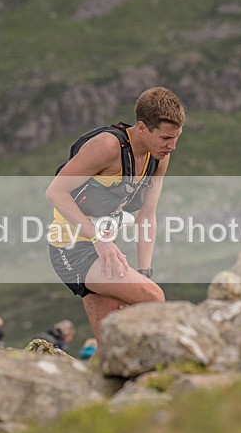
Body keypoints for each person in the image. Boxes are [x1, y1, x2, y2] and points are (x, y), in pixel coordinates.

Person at [46, 87, 184, 345]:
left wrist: (145, 270)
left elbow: (146, 217)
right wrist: (99, 239)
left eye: (177, 137)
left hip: (103, 251)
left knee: (112, 346)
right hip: (72, 248)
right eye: (166, 138)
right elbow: (55, 192)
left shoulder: (158, 158)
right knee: (153, 297)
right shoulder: (108, 146)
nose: (172, 146)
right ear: (142, 127)